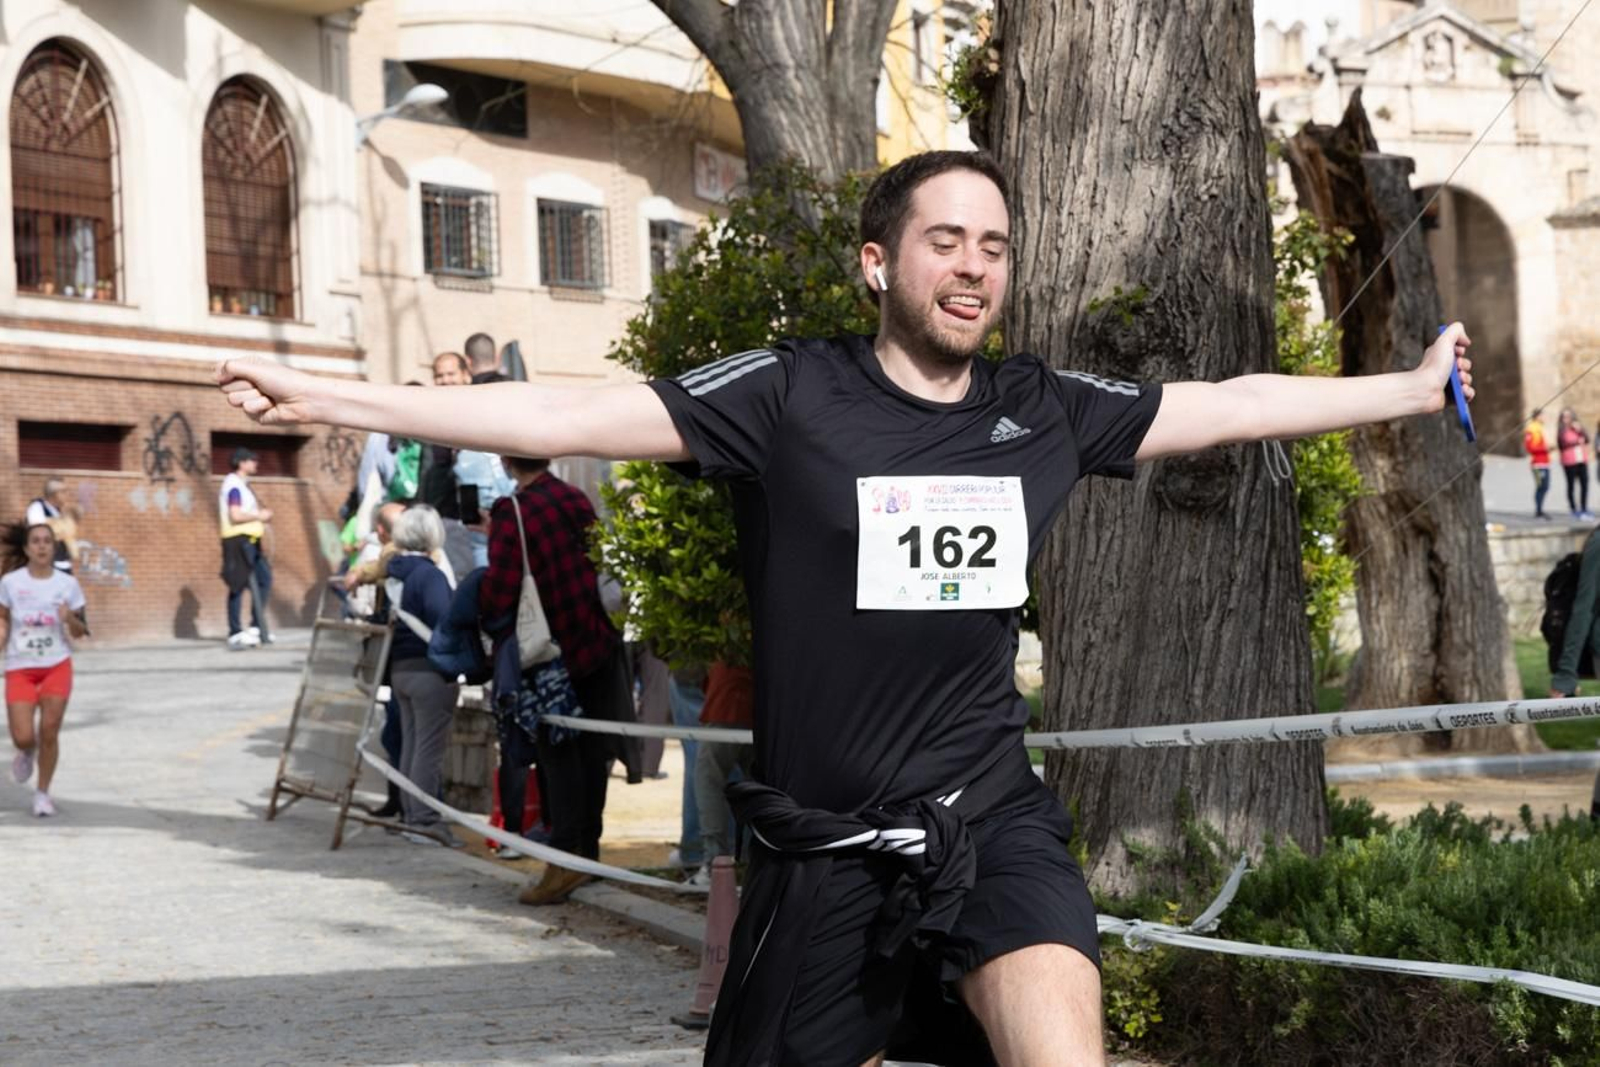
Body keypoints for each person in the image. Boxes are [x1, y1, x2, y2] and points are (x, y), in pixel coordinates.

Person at [216, 149, 1476, 1067]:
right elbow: (556, 412)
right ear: (879, 260)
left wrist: (1410, 392)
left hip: (986, 816)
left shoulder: (1039, 406)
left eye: (993, 244)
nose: (974, 266)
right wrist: (335, 397)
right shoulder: (784, 393)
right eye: (945, 240)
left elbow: (1233, 401)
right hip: (823, 847)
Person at [481, 455, 637, 905]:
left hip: (550, 654)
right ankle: (588, 854)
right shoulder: (574, 497)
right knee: (592, 756)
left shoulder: (513, 511)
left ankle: (564, 862)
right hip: (596, 642)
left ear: (508, 461)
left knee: (559, 757)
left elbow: (501, 589)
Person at [383, 504, 459, 845]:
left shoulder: (395, 572)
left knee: (412, 745)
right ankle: (426, 820)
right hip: (429, 670)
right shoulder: (429, 574)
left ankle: (413, 817)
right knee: (428, 749)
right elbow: (446, 620)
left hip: (400, 668)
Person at [2, 524, 88, 817]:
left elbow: (79, 633)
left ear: (54, 548)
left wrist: (69, 619)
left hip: (56, 664)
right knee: (23, 736)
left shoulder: (67, 585)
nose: (41, 547)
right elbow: (2, 620)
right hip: (20, 666)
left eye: (47, 542)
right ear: (26, 549)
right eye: (35, 542)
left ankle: (42, 793)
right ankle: (26, 751)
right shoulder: (11, 583)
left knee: (50, 730)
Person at [219, 447, 273, 649]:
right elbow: (235, 515)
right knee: (237, 584)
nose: (255, 463)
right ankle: (235, 632)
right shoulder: (233, 486)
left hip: (251, 540)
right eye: (252, 460)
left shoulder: (243, 485)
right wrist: (260, 515)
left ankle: (255, 626)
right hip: (238, 541)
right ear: (241, 463)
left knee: (264, 580)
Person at [24, 479, 76, 574]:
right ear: (54, 494)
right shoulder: (37, 508)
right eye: (63, 491)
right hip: (46, 565)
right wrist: (61, 529)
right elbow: (39, 533)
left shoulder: (59, 511)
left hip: (63, 563)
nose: (67, 495)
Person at [1558, 408, 1592, 520]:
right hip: (1569, 461)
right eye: (1564, 417)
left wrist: (1580, 430)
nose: (1566, 419)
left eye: (1568, 416)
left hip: (1581, 460)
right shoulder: (1562, 431)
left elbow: (1587, 439)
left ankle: (1584, 508)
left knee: (1584, 484)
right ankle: (1573, 509)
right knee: (1571, 485)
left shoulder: (1578, 428)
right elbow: (1563, 443)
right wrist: (1577, 442)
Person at [1526, 409, 1553, 520]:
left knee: (1545, 487)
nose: (1544, 418)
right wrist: (1545, 448)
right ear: (1537, 416)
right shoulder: (1532, 429)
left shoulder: (1540, 428)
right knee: (1540, 487)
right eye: (1542, 416)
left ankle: (1540, 510)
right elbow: (1530, 447)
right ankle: (1538, 511)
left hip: (1545, 462)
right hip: (1537, 464)